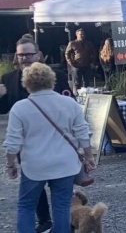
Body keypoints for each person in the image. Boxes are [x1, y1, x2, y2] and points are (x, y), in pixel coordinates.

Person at [3, 62, 96, 233]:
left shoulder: (20, 108)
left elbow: (13, 141)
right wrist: (89, 156)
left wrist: (11, 165)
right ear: (52, 81)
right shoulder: (69, 103)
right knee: (61, 208)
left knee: (26, 207)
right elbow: (83, 133)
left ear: (26, 83)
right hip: (65, 164)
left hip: (34, 166)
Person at [0, 36, 74, 233]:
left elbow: (71, 104)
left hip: (57, 143)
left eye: (28, 54)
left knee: (59, 193)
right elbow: (3, 109)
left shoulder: (56, 75)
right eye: (21, 54)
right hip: (27, 146)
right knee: (34, 189)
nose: (24, 58)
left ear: (39, 55)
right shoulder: (7, 79)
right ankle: (44, 220)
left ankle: (60, 225)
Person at [65, 28, 97, 93]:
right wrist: (70, 63)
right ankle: (77, 95)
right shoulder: (72, 43)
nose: (82, 35)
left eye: (83, 34)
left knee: (87, 82)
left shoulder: (89, 43)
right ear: (77, 35)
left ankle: (87, 95)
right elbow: (67, 54)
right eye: (80, 34)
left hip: (87, 65)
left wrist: (92, 62)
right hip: (76, 65)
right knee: (77, 82)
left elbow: (94, 53)